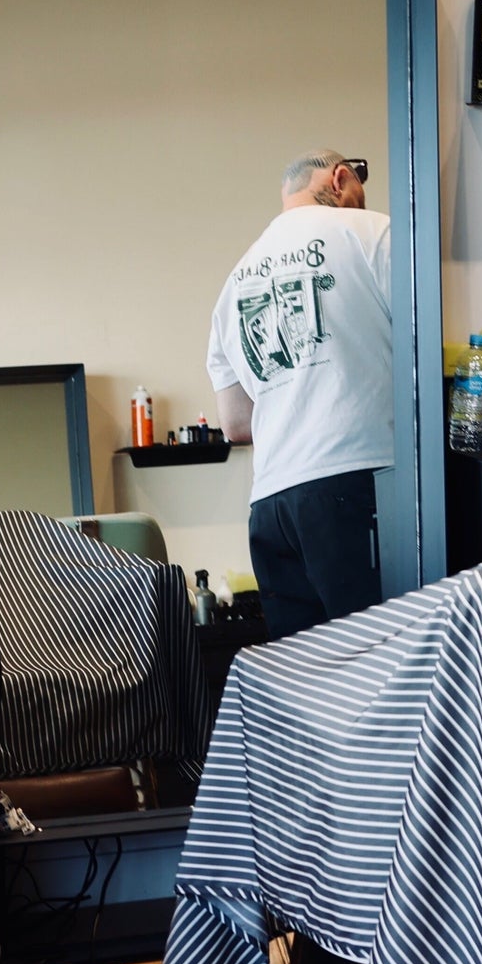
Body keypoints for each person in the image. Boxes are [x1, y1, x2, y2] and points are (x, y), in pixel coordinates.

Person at [207, 149, 396, 636]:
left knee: (308, 677)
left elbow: (236, 424)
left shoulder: (234, 282)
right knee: (379, 662)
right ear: (339, 178)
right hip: (353, 482)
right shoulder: (373, 232)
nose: (360, 199)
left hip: (271, 505)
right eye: (358, 187)